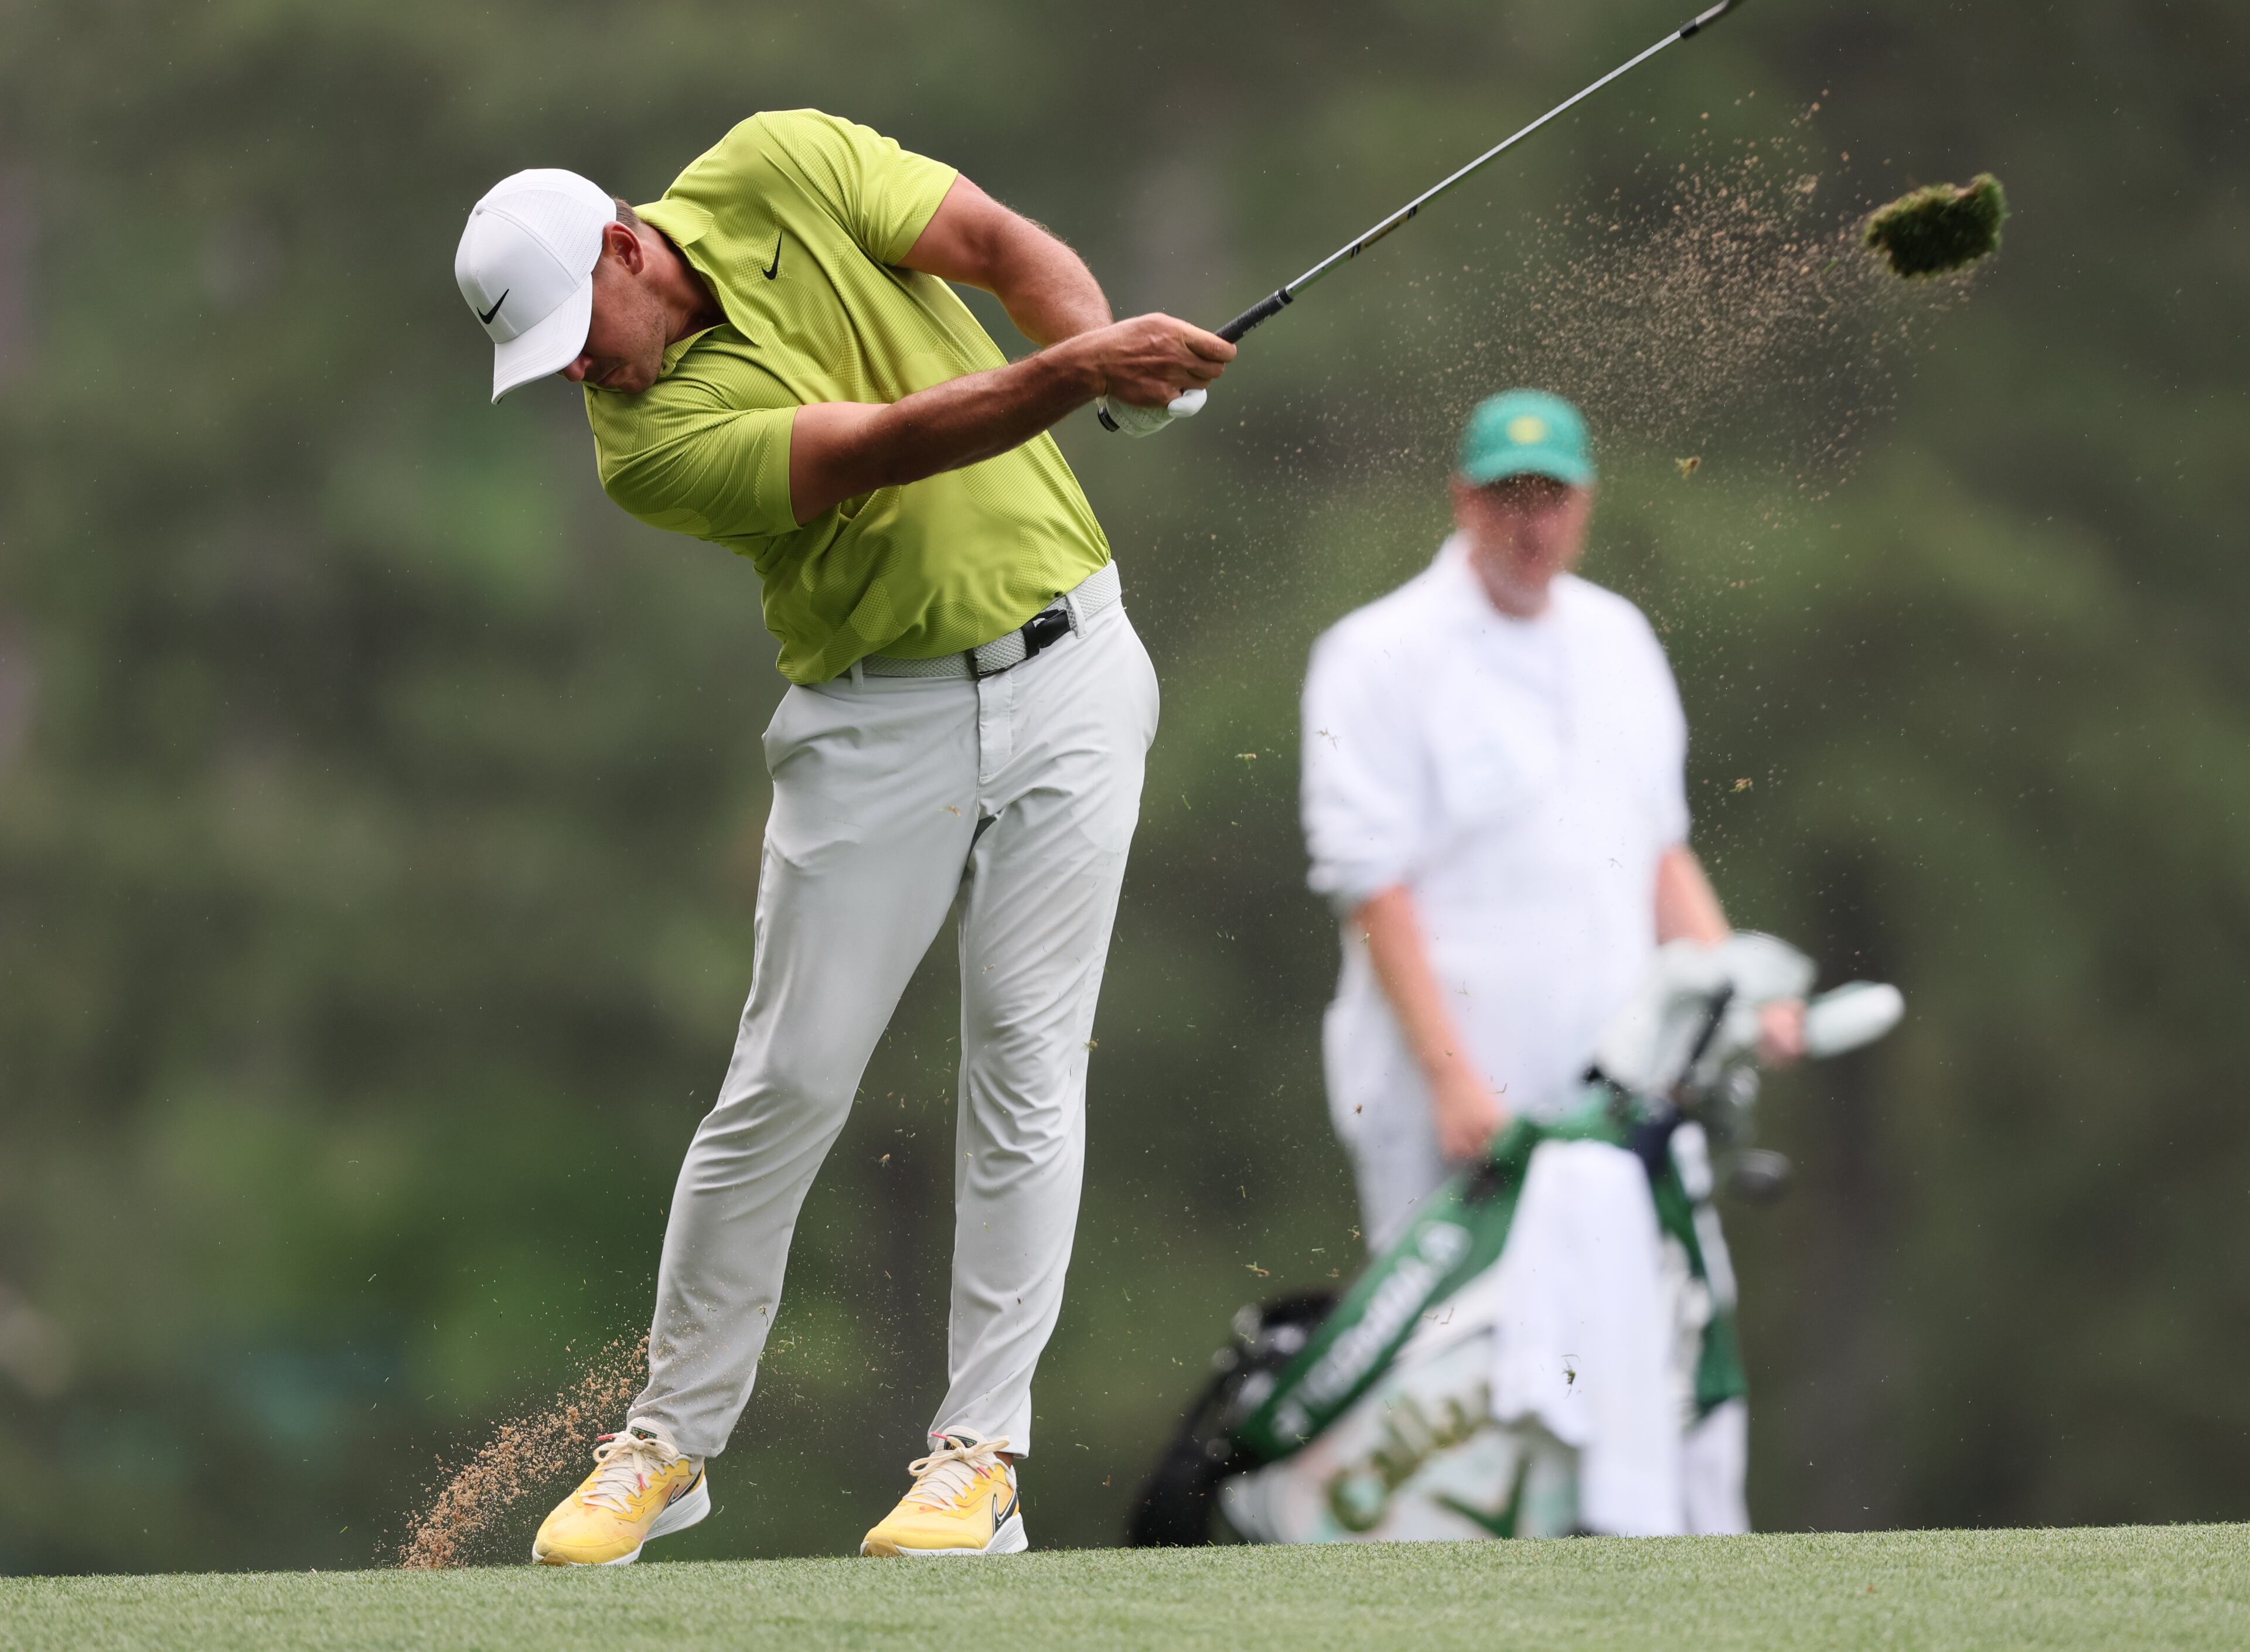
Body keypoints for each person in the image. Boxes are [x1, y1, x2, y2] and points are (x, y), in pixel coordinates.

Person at [452, 111, 1233, 1565]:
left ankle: (979, 1455)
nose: (580, 372)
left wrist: (1117, 369)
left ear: (627, 245)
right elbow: (885, 445)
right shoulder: (643, 443)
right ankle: (670, 1442)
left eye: (577, 332)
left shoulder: (779, 162)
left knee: (1025, 1059)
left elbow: (1000, 247)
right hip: (875, 727)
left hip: (1073, 667)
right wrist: (1082, 371)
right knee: (784, 1081)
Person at [1298, 388, 1801, 1532]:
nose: (1533, 524)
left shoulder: (1617, 637)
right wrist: (1452, 1077)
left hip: (1624, 1085)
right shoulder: (1379, 654)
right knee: (1463, 1392)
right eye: (1509, 496)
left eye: (1554, 497)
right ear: (1465, 498)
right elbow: (1374, 888)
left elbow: (1657, 853)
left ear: (1585, 503)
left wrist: (1734, 993)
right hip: (1452, 1095)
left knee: (1670, 1348)